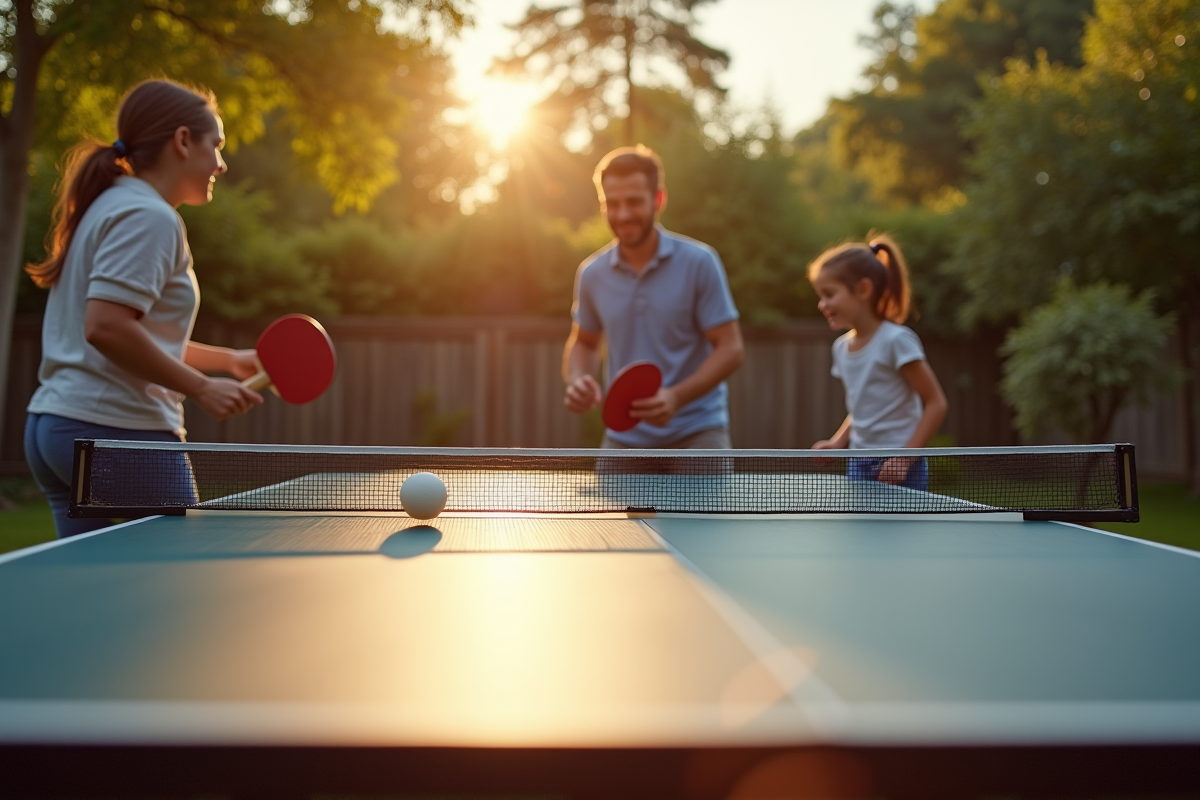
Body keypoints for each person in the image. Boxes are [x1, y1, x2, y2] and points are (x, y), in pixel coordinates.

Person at [23, 79, 263, 538]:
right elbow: (107, 329)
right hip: (117, 434)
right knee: (179, 588)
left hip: (55, 429)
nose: (221, 163)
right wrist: (200, 388)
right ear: (182, 140)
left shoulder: (110, 203)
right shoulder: (149, 216)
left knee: (90, 594)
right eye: (216, 145)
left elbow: (134, 335)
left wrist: (227, 362)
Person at [563, 146, 744, 449]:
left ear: (658, 199)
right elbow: (584, 342)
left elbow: (731, 348)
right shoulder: (591, 273)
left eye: (633, 202)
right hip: (624, 438)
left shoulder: (700, 262)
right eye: (612, 203)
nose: (622, 214)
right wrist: (577, 379)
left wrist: (676, 396)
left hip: (697, 432)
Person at [808, 235, 948, 488]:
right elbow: (862, 408)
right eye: (821, 295)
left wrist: (905, 459)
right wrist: (838, 442)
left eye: (829, 294)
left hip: (899, 465)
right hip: (858, 461)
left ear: (863, 289)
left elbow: (936, 403)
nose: (822, 304)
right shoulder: (840, 348)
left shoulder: (896, 341)